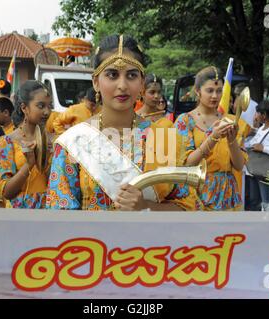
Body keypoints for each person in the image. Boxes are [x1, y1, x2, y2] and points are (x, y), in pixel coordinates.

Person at [48, 34, 197, 211]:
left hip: (151, 239)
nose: (122, 85)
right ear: (96, 82)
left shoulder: (163, 137)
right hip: (89, 239)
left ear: (142, 83)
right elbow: (59, 218)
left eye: (132, 75)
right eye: (112, 74)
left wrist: (146, 207)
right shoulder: (73, 142)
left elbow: (187, 208)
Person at [174, 66, 247, 211]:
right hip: (197, 194)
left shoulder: (231, 120)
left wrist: (231, 140)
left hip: (228, 195)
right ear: (197, 91)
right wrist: (213, 137)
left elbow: (239, 166)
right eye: (210, 90)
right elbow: (186, 164)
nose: (215, 96)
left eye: (219, 91)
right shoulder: (185, 121)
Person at [0, 81, 53, 209]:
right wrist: (29, 164)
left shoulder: (54, 141)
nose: (47, 112)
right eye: (41, 106)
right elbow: (7, 192)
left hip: (49, 214)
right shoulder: (6, 143)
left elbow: (59, 185)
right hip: (19, 217)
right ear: (24, 108)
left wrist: (46, 159)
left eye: (50, 106)